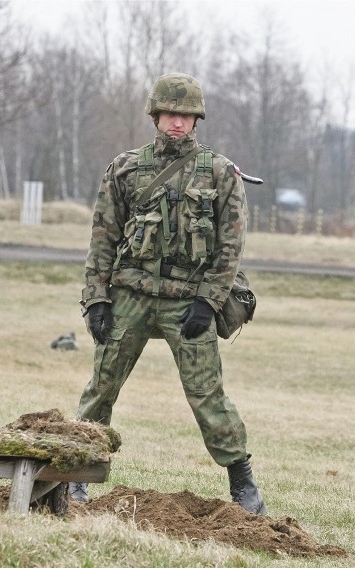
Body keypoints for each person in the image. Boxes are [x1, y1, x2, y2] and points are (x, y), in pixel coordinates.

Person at [70, 72, 267, 515]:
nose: (177, 123)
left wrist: (209, 300)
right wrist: (97, 298)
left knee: (207, 393)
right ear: (155, 115)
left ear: (197, 119)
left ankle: (243, 483)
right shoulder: (124, 168)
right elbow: (102, 239)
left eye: (185, 115)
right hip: (131, 292)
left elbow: (231, 247)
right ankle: (76, 475)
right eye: (169, 114)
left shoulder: (219, 173)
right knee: (101, 387)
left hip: (188, 299)